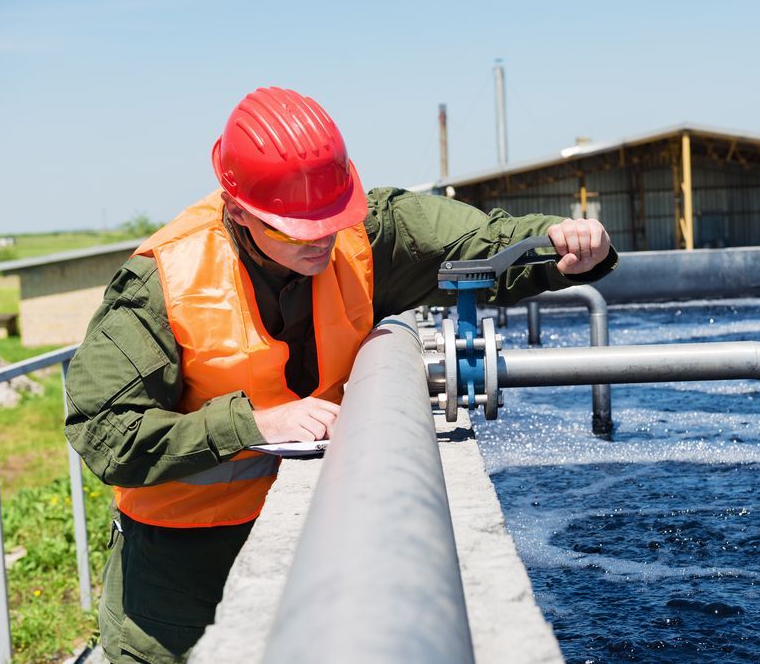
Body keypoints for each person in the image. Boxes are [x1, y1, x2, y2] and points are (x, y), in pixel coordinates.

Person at [64, 86, 616, 663]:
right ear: (239, 212)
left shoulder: (368, 231)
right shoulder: (161, 283)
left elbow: (479, 244)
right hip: (179, 583)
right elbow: (104, 432)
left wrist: (561, 244)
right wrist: (251, 423)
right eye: (299, 229)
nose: (322, 239)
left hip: (323, 547)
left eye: (332, 219)